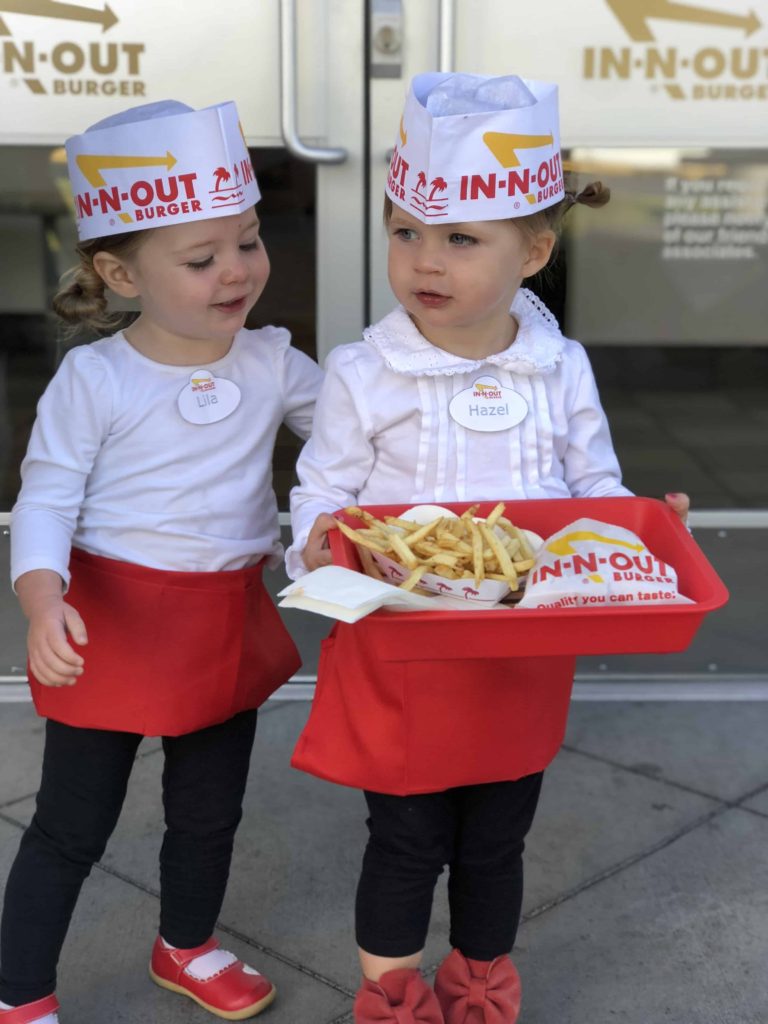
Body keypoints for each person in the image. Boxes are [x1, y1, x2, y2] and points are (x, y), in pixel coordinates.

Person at [286, 73, 690, 1024]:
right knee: (405, 838)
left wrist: (643, 525)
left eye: (461, 239)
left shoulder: (560, 366)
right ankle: (392, 994)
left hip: (519, 650)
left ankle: (478, 983)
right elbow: (323, 492)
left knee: (497, 838)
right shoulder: (363, 371)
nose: (425, 260)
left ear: (534, 251)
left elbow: (594, 489)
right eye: (405, 232)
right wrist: (319, 540)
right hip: (402, 648)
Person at [0, 100, 323, 1024]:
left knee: (209, 811)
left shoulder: (272, 361)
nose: (237, 270)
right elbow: (46, 499)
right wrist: (42, 601)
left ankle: (187, 944)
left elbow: (359, 436)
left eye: (248, 242)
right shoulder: (96, 378)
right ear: (120, 274)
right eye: (200, 258)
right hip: (110, 623)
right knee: (71, 825)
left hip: (221, 617)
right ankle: (19, 994)